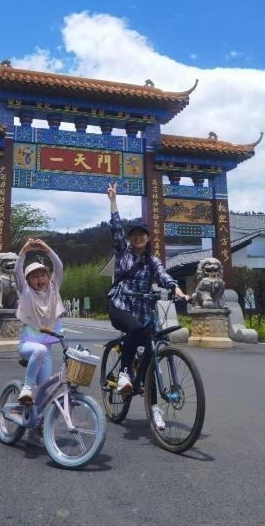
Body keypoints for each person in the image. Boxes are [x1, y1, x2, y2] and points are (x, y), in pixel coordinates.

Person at [106, 182, 189, 431]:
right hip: (120, 304)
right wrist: (113, 201)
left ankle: (154, 409)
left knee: (152, 353)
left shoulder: (152, 261)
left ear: (148, 238)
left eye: (142, 234)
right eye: (134, 234)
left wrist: (176, 289)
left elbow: (163, 275)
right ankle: (123, 373)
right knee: (135, 329)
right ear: (130, 239)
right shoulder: (123, 253)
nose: (138, 237)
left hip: (143, 310)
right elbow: (116, 229)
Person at [14, 238, 65, 444]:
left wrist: (47, 249)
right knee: (40, 351)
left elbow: (59, 266)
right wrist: (23, 252)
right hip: (28, 345)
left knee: (44, 390)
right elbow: (17, 271)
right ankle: (26, 387)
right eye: (35, 276)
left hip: (46, 349)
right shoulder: (25, 291)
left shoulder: (53, 289)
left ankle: (35, 428)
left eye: (43, 274)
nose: (40, 279)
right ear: (28, 280)